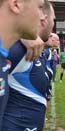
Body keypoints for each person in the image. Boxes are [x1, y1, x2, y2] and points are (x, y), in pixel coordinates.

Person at [2, 1, 55, 131]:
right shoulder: (17, 51)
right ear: (16, 4)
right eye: (39, 7)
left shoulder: (34, 49)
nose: (42, 17)